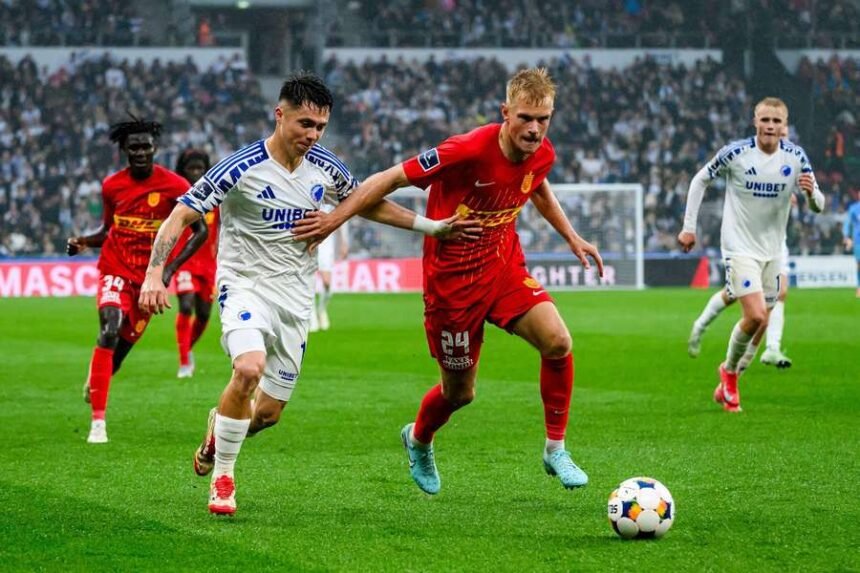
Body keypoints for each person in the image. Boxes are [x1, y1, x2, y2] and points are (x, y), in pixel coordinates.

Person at [138, 72, 478, 515]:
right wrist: (154, 274)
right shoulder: (241, 166)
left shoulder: (326, 166)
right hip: (245, 285)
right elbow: (182, 213)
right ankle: (223, 476)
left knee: (267, 414)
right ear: (279, 116)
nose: (312, 135)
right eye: (304, 124)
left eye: (320, 127)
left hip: (295, 298)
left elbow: (365, 201)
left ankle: (217, 431)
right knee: (247, 369)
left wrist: (431, 227)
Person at [293, 67, 604, 494]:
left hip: (504, 268)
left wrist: (572, 236)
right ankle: (418, 438)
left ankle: (555, 449)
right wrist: (332, 220)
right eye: (525, 118)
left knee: (558, 342)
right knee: (460, 394)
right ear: (505, 112)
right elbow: (386, 180)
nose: (534, 130)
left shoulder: (542, 150)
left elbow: (536, 184)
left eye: (543, 119)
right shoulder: (466, 150)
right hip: (452, 285)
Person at [67, 117, 208, 444]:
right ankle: (98, 424)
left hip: (149, 281)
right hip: (115, 268)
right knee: (110, 328)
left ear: (154, 147)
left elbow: (200, 231)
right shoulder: (112, 186)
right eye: (134, 147)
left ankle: (98, 378)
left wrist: (169, 271)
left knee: (119, 351)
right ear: (124, 150)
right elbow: (108, 232)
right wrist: (84, 242)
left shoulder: (174, 186)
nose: (141, 152)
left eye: (146, 146)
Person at [678, 97, 824, 413]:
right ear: (755, 121)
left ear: (785, 126)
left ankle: (729, 380)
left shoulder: (796, 157)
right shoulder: (736, 153)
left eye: (777, 121)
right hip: (738, 247)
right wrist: (689, 227)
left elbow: (819, 205)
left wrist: (812, 193)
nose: (770, 126)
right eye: (765, 120)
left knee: (761, 321)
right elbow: (700, 179)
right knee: (756, 314)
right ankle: (728, 374)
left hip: (773, 250)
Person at [172, 149, 219, 378]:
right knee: (186, 305)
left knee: (203, 314)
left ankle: (187, 348)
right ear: (183, 171)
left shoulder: (215, 199)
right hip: (184, 262)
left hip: (209, 265)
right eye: (191, 169)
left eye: (200, 168)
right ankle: (184, 362)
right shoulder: (177, 198)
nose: (196, 173)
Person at [309, 203, 348, 332]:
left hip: (326, 244)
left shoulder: (331, 194)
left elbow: (341, 218)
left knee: (327, 283)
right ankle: (312, 316)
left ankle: (321, 310)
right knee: (310, 282)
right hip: (310, 242)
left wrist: (343, 242)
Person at [843, 190, 860, 298]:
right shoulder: (854, 208)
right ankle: (859, 286)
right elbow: (847, 223)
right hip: (858, 241)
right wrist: (846, 237)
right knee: (859, 265)